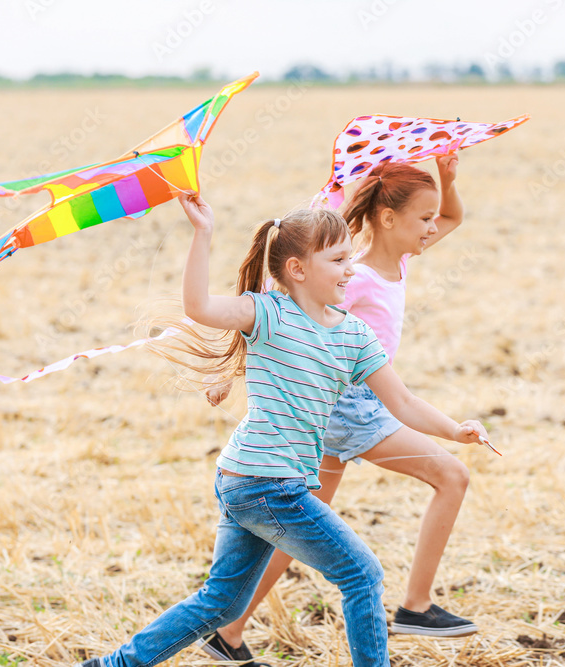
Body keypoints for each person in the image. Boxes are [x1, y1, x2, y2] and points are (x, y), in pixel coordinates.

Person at [79, 191, 492, 667]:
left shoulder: (354, 334)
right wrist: (203, 233)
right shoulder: (267, 313)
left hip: (256, 481)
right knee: (362, 573)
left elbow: (402, 401)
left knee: (222, 603)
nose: (350, 269)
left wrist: (454, 430)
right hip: (264, 482)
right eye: (338, 259)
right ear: (298, 269)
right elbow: (197, 306)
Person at [203, 156, 479, 663]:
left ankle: (229, 630)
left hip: (337, 410)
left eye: (432, 218)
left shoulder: (399, 260)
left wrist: (449, 180)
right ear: (389, 219)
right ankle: (416, 606)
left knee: (298, 527)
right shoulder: (357, 280)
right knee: (452, 476)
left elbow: (454, 218)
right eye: (424, 218)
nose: (433, 227)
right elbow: (292, 328)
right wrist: (228, 373)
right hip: (350, 409)